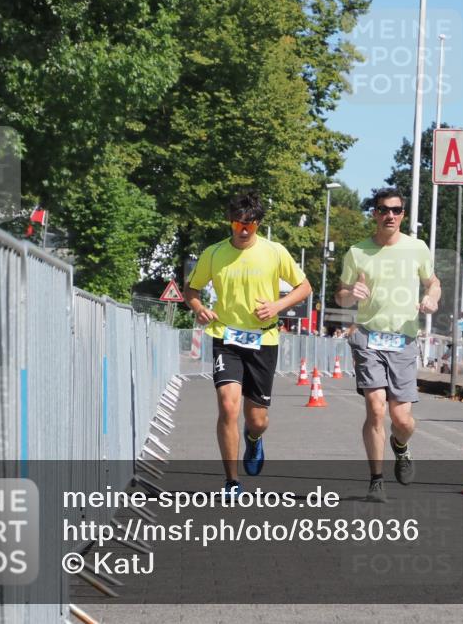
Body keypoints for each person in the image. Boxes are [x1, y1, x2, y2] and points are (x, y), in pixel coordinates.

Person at [184, 192, 312, 495]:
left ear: (258, 224)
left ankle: (253, 438)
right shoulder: (214, 253)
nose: (243, 230)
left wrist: (277, 306)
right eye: (238, 224)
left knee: (257, 419)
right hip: (225, 337)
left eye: (250, 225)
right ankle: (232, 481)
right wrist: (199, 308)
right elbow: (192, 289)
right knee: (228, 407)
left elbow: (304, 287)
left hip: (263, 339)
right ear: (230, 222)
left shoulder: (274, 252)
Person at [335, 188, 441, 502]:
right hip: (368, 337)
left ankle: (401, 446)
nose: (389, 215)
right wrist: (350, 294)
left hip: (403, 339)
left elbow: (433, 282)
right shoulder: (357, 252)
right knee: (376, 407)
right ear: (375, 214)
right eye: (383, 209)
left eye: (395, 210)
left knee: (402, 419)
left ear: (403, 215)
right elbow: (340, 296)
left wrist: (431, 298)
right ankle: (376, 479)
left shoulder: (417, 248)